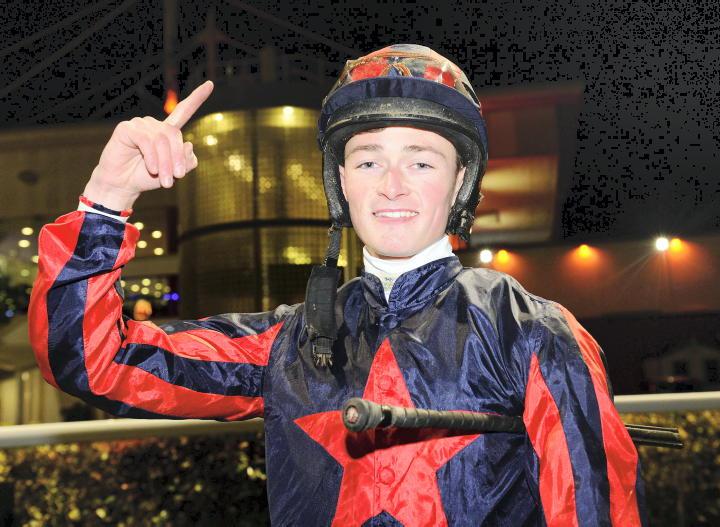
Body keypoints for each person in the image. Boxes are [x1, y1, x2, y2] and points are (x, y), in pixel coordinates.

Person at [29, 44, 647, 526]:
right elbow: (92, 361)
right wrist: (106, 202)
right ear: (342, 183)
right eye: (369, 160)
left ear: (461, 181)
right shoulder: (285, 342)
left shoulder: (534, 331)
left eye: (422, 161)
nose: (392, 185)